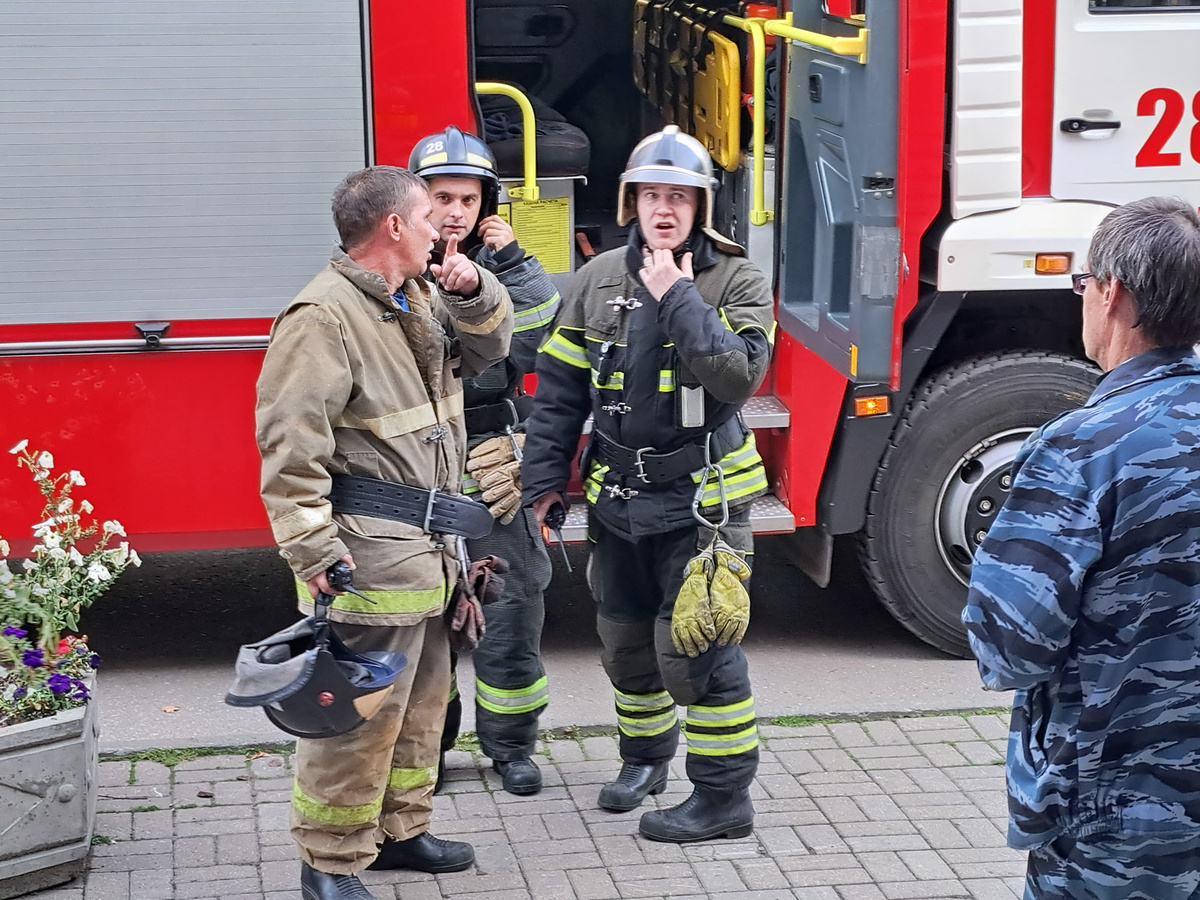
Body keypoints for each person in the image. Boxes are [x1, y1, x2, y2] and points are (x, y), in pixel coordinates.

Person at [255, 166, 513, 900]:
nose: (443, 227)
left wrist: (475, 290)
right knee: (360, 717)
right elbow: (288, 448)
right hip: (369, 552)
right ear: (394, 228)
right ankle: (329, 867)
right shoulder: (322, 317)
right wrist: (311, 550)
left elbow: (492, 350)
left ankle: (401, 833)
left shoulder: (418, 296)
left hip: (428, 551)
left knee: (424, 703)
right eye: (430, 215)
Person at [521, 125, 775, 842]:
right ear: (632, 201)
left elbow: (737, 376)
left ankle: (725, 799)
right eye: (652, 194)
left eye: (680, 196)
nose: (664, 209)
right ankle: (644, 764)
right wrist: (545, 481)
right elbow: (561, 392)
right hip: (617, 500)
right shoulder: (595, 279)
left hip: (703, 504)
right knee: (624, 643)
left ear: (701, 206)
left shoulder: (737, 279)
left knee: (696, 649)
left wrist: (679, 298)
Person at [962, 196, 1200, 900]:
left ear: (1113, 294)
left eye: (1082, 282)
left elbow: (1012, 645)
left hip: (1118, 818)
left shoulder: (1080, 450)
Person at [408, 126, 558, 796]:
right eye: (442, 196)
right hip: (420, 465)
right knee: (426, 618)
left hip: (493, 457)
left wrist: (514, 263)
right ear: (418, 200)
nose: (456, 211)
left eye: (468, 197)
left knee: (513, 606)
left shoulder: (510, 272)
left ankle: (512, 748)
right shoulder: (398, 268)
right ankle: (428, 750)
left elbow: (537, 339)